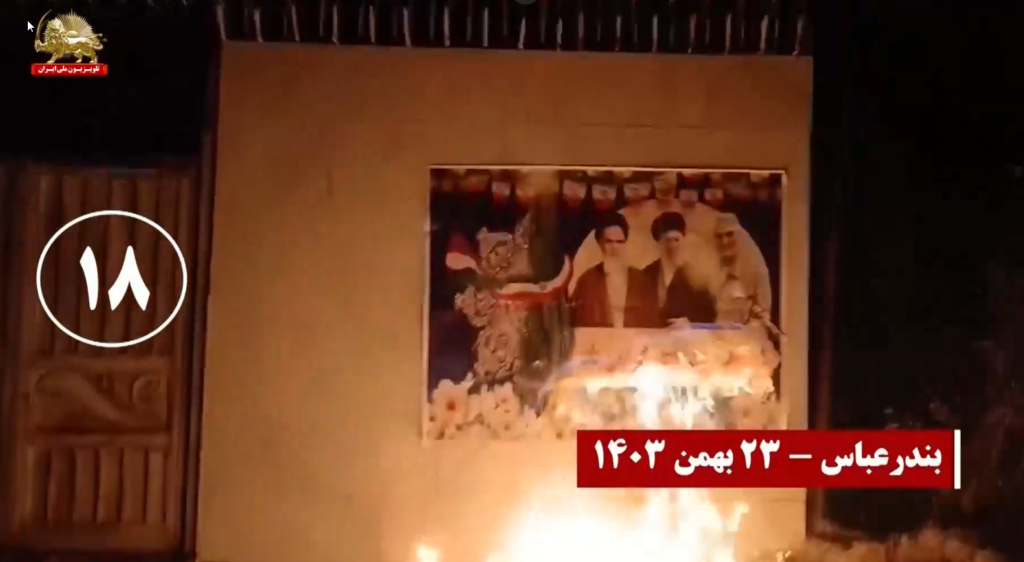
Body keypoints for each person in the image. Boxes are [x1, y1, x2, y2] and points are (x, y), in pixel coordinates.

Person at [570, 213, 657, 328]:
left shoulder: (642, 281)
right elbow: (577, 323)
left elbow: (653, 322)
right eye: (609, 241)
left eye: (619, 242)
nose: (614, 247)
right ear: (599, 243)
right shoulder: (587, 281)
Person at [643, 212, 717, 325]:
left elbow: (709, 313)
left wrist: (690, 321)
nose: (672, 245)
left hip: (686, 333)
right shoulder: (647, 274)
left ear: (683, 240)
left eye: (676, 240)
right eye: (668, 240)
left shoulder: (695, 274)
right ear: (659, 243)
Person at [714, 213, 772, 318]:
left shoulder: (756, 268)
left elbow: (764, 313)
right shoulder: (711, 266)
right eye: (719, 236)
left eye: (729, 234)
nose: (724, 241)